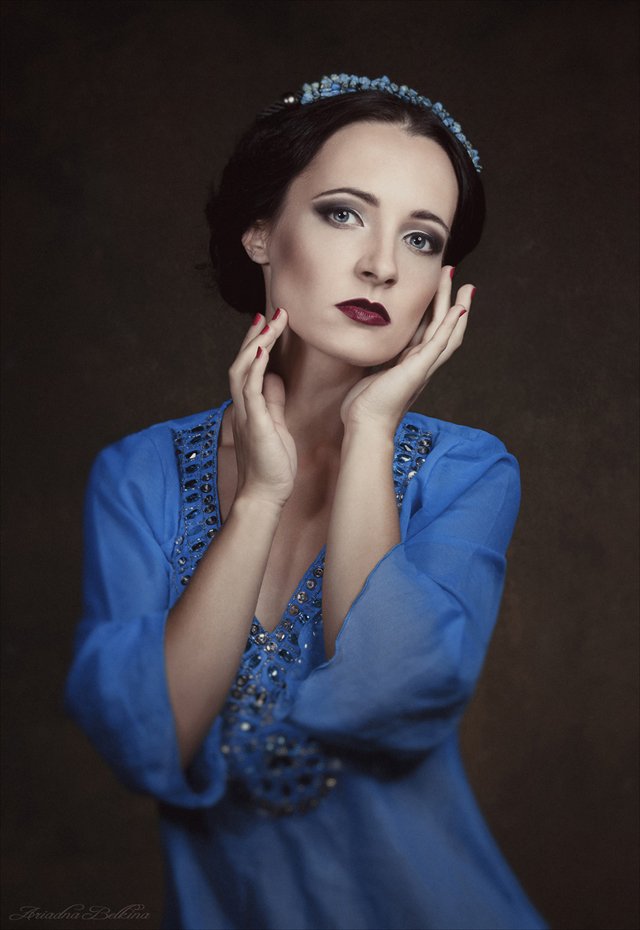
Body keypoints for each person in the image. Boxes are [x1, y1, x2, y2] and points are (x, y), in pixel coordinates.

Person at [64, 74, 548, 930]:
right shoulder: (137, 475)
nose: (382, 265)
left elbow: (387, 703)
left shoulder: (468, 473)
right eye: (343, 213)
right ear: (260, 232)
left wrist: (371, 431)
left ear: (442, 280)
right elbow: (151, 744)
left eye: (421, 238)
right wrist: (260, 500)